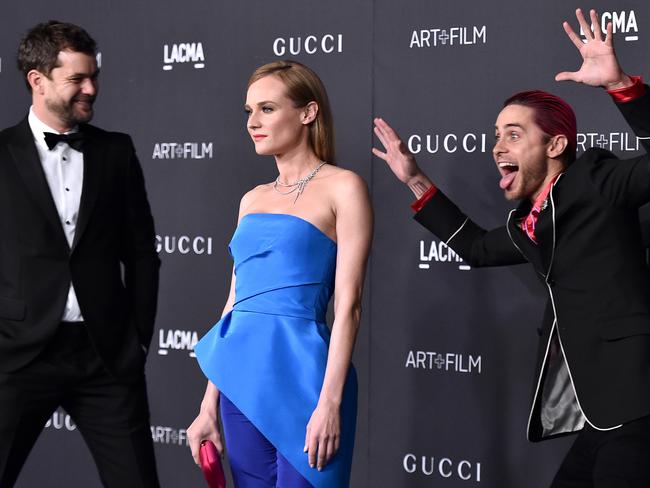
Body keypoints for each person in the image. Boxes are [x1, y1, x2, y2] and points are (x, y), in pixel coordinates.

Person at [373, 8, 650, 487]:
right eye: (496, 136)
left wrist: (620, 84)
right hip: (601, 412)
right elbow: (477, 248)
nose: (498, 147)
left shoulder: (599, 180)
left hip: (639, 404)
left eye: (514, 135)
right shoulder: (530, 222)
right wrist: (415, 180)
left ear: (557, 145)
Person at [188, 60, 372, 487]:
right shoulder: (251, 200)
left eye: (267, 109)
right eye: (249, 111)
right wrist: (208, 404)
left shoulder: (345, 187)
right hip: (241, 383)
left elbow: (350, 305)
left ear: (308, 113)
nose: (253, 122)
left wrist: (330, 402)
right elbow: (235, 303)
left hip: (308, 381)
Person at [0, 21, 160, 486]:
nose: (91, 88)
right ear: (38, 80)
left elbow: (143, 254)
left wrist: (139, 339)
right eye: (76, 79)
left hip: (104, 355)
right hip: (19, 352)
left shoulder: (116, 151)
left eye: (94, 77)